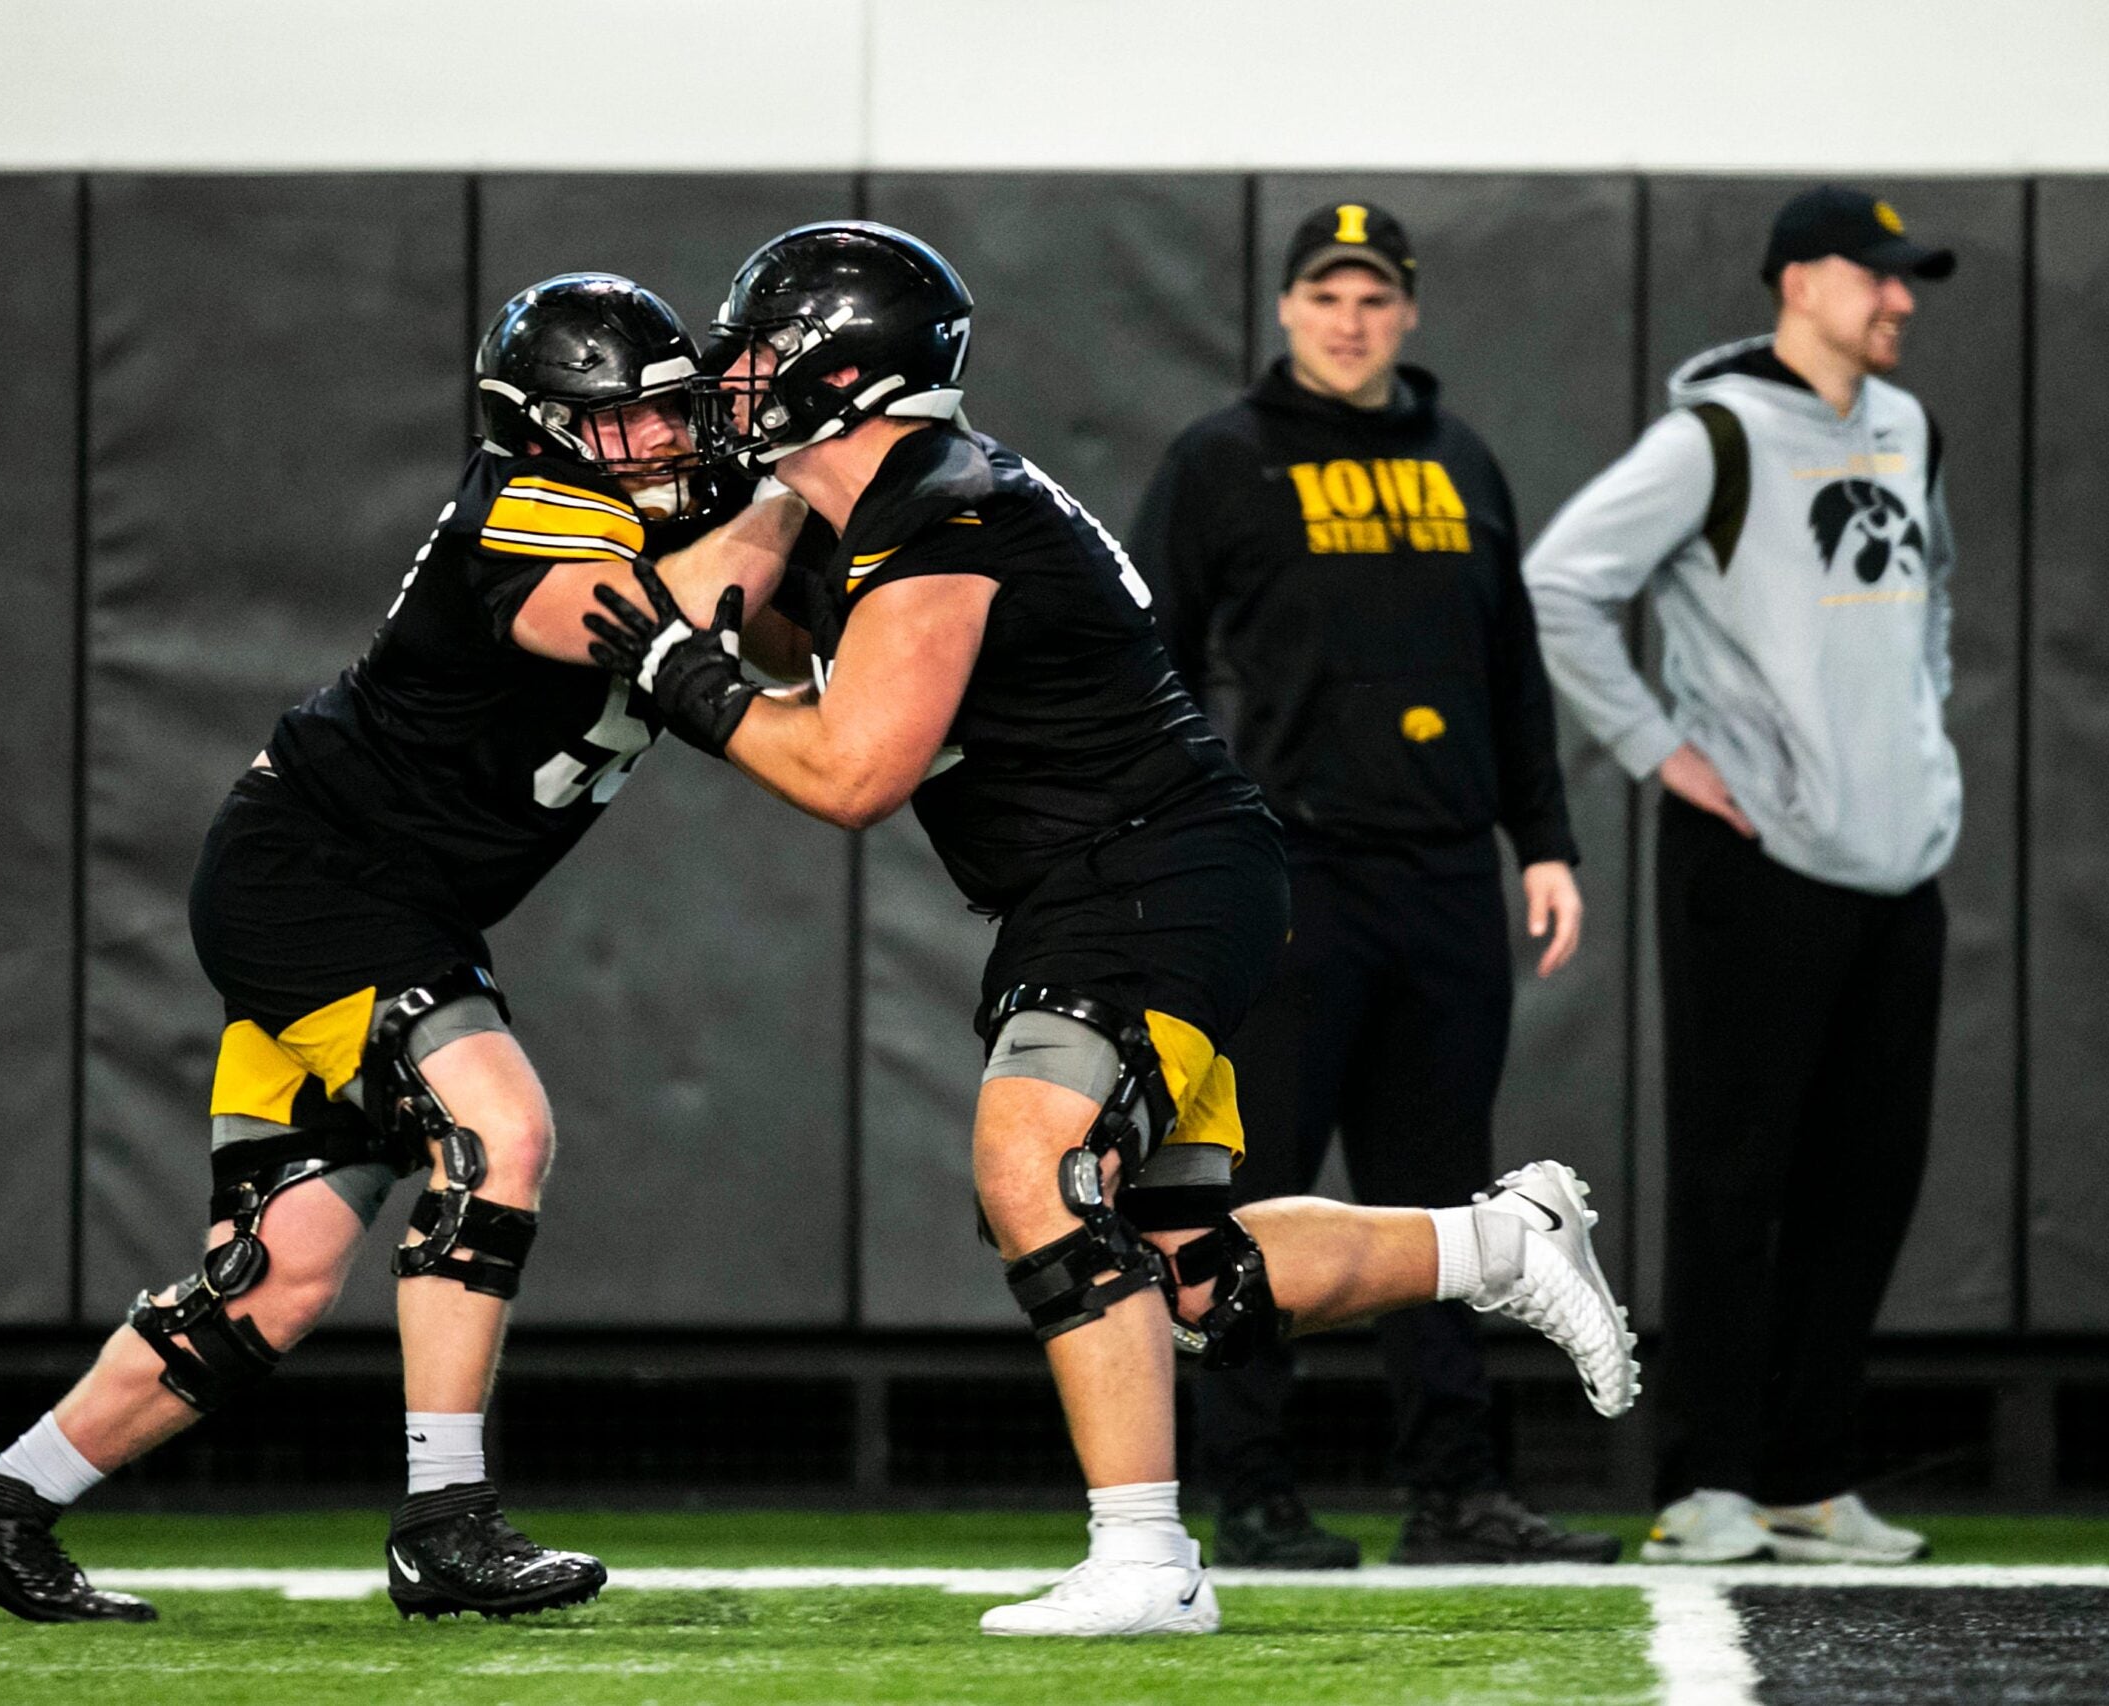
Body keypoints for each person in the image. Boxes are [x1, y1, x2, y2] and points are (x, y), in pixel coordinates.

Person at [584, 220, 1640, 1638]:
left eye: (765, 351)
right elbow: (797, 639)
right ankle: (1503, 1243)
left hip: (1143, 870)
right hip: (1146, 869)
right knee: (1191, 1270)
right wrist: (739, 553)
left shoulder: (943, 504)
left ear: (844, 370)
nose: (734, 375)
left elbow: (852, 770)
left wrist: (677, 674)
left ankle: (1145, 1558)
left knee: (1034, 1163)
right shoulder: (898, 493)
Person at [0, 274, 805, 1623]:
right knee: (497, 1134)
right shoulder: (528, 508)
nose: (668, 442)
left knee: (272, 1280)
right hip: (323, 883)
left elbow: (780, 662)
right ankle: (448, 1519)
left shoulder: (635, 509)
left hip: (370, 895)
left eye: (675, 414)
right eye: (630, 423)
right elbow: (669, 626)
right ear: (549, 428)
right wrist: (804, 486)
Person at [1131, 199, 1615, 1569]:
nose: (1351, 320)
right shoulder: (1219, 462)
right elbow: (1144, 662)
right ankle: (1253, 1489)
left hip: (1448, 883)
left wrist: (1551, 841)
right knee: (1254, 1191)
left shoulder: (1464, 461)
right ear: (1287, 308)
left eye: (1374, 298)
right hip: (1290, 886)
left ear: (1406, 312)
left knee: (1446, 1202)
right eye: (1327, 296)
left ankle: (1456, 1488)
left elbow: (1513, 672)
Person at [1523, 186, 1959, 1566]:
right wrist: (1662, 751)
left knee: (1867, 1179)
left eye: (1906, 282)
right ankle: (1709, 1478)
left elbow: (1928, 608)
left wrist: (1923, 759)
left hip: (1900, 868)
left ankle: (1809, 1478)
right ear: (1800, 283)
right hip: (1755, 861)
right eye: (1878, 278)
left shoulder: (1907, 429)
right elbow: (1559, 584)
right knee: (1734, 1176)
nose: (1899, 301)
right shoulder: (1710, 433)